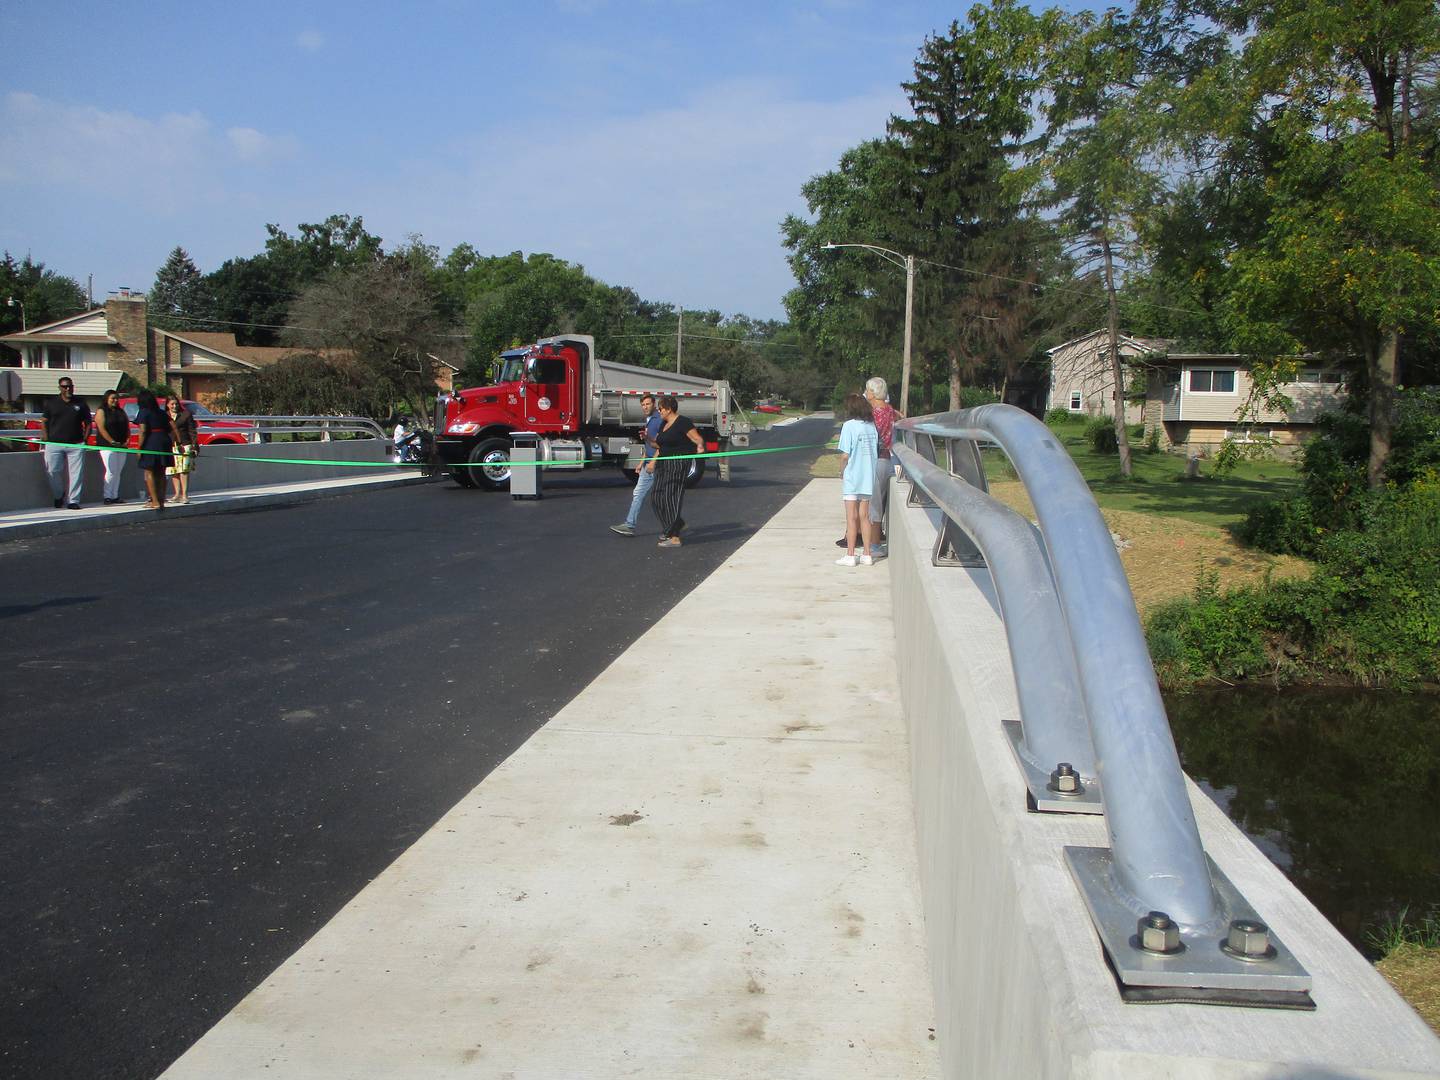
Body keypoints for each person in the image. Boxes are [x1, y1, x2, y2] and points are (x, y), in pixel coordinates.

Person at [650, 395, 705, 548]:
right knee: (656, 498)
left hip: (678, 462)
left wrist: (700, 447)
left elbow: (697, 439)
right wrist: (647, 438)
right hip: (663, 463)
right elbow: (658, 445)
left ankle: (674, 537)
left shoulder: (683, 422)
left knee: (670, 497)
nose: (659, 411)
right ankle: (676, 524)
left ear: (668, 409)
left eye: (660, 408)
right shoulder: (663, 424)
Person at [835, 392, 879, 567]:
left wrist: (841, 471)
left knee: (851, 518)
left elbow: (845, 455)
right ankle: (867, 554)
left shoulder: (849, 426)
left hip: (853, 476)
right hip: (868, 476)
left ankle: (851, 554)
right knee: (865, 516)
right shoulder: (871, 426)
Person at [610, 393, 662, 536]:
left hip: (655, 464)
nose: (645, 407)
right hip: (648, 462)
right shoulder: (650, 419)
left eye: (648, 404)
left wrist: (652, 462)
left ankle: (629, 525)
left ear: (654, 404)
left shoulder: (658, 420)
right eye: (643, 405)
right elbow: (649, 444)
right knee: (655, 496)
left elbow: (661, 445)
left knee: (644, 494)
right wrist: (641, 463)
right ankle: (676, 523)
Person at [40, 376, 92, 509]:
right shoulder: (51, 403)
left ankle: (73, 500)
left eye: (70, 386)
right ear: (60, 388)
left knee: (76, 473)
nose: (68, 389)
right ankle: (59, 495)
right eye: (65, 386)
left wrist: (85, 440)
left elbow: (88, 423)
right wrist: (45, 438)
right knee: (52, 471)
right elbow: (44, 421)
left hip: (76, 443)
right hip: (54, 443)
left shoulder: (80, 403)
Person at [134, 390, 177, 510]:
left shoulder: (143, 412)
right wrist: (175, 442)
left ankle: (154, 501)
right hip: (164, 440)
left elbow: (142, 430)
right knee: (161, 472)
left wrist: (139, 448)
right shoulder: (161, 413)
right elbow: (172, 427)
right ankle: (161, 500)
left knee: (149, 471)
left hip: (151, 442)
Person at [93, 388, 131, 505]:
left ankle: (115, 495)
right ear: (107, 399)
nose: (115, 401)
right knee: (111, 471)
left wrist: (126, 441)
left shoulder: (120, 411)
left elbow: (127, 427)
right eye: (112, 398)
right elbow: (101, 428)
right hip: (107, 446)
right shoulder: (101, 411)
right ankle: (107, 496)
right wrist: (111, 441)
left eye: (116, 398)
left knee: (118, 471)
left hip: (121, 446)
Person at [166, 397, 198, 504]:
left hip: (185, 445)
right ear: (167, 405)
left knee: (184, 470)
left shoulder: (186, 414)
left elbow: (192, 430)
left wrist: (194, 446)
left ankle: (185, 495)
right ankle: (177, 494)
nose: (174, 406)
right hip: (171, 446)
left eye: (176, 404)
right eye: (172, 404)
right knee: (174, 471)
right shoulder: (165, 416)